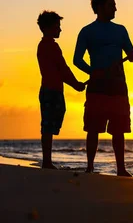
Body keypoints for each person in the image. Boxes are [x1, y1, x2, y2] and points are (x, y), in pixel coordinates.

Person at [73, 0, 133, 176]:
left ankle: (121, 169)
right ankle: (90, 166)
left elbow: (131, 54)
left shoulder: (121, 30)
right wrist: (93, 72)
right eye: (111, 5)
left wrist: (132, 56)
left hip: (118, 86)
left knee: (119, 129)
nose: (115, 8)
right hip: (97, 87)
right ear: (100, 8)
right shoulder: (87, 31)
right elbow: (77, 60)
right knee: (93, 128)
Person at [36, 11, 86, 169]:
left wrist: (74, 83)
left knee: (49, 124)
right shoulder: (51, 47)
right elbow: (62, 69)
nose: (60, 30)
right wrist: (76, 84)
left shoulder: (44, 46)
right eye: (57, 26)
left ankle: (47, 160)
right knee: (48, 126)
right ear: (48, 28)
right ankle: (47, 161)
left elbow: (61, 70)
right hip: (52, 90)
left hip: (49, 89)